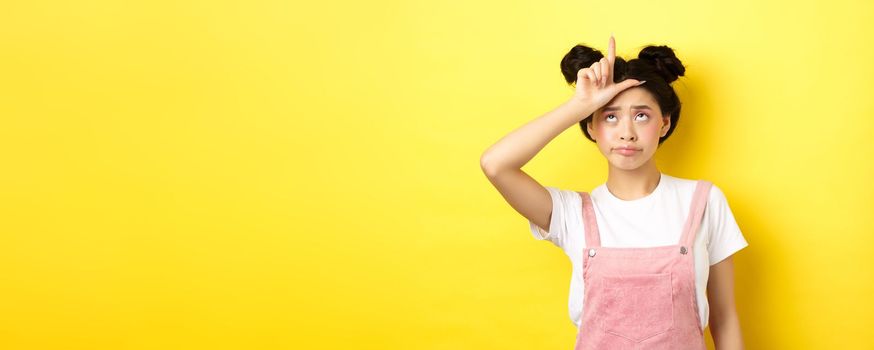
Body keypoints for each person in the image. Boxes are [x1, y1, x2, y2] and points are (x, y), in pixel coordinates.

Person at [479, 35, 748, 349]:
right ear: (591, 127)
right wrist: (580, 105)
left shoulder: (703, 201)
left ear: (664, 123)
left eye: (641, 115)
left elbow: (725, 319)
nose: (626, 133)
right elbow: (495, 164)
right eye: (610, 116)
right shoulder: (571, 213)